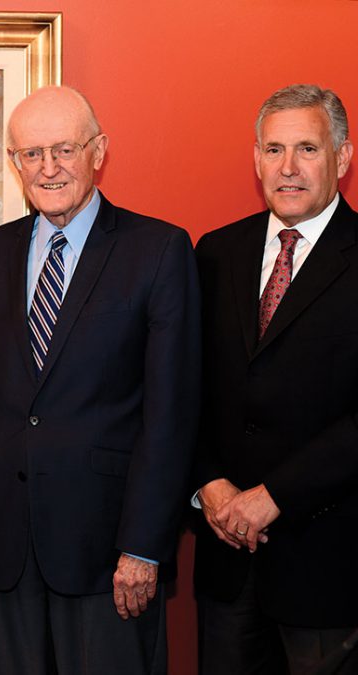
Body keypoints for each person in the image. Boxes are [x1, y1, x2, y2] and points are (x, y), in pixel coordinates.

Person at [0, 86, 200, 674]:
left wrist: (143, 545)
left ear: (99, 151)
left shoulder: (158, 250)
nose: (48, 167)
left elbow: (172, 415)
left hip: (108, 550)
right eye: (31, 154)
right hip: (4, 543)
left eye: (64, 149)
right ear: (14, 163)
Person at [193, 84, 358, 675]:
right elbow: (187, 389)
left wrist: (275, 497)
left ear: (342, 159)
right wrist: (209, 483)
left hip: (329, 568)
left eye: (307, 149)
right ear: (255, 158)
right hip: (226, 563)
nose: (286, 168)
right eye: (273, 149)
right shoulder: (214, 253)